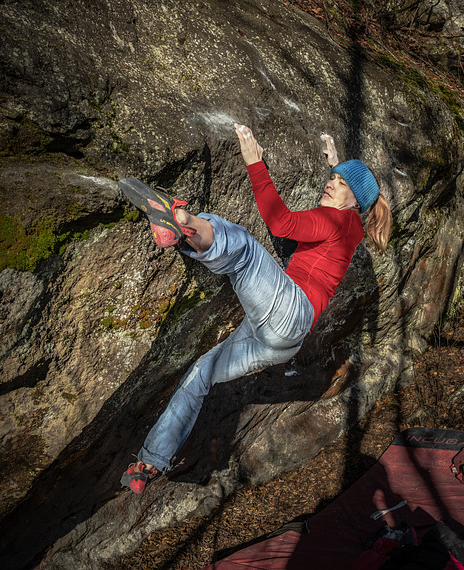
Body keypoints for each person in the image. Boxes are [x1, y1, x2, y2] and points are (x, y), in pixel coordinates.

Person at [119, 123, 392, 493]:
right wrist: (339, 166)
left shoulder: (335, 220)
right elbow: (356, 194)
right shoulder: (352, 227)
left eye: (341, 184)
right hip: (282, 342)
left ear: (355, 201)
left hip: (290, 310)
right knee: (201, 373)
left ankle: (181, 222)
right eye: (332, 178)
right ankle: (150, 463)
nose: (331, 184)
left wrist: (254, 163)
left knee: (244, 248)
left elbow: (280, 222)